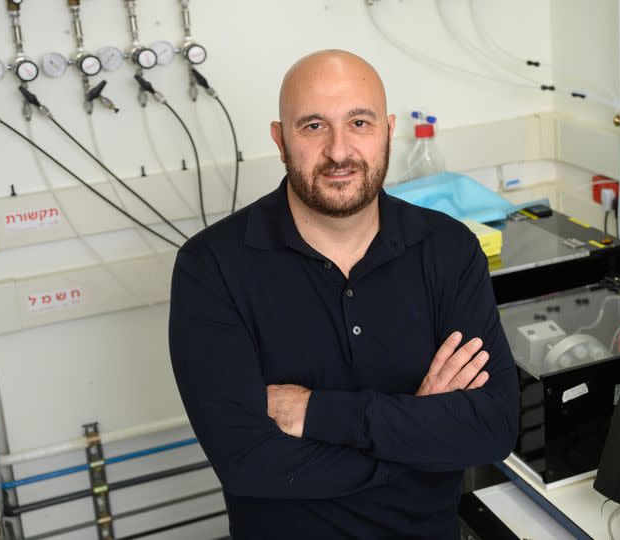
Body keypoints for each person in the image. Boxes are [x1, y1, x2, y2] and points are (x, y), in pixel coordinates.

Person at [167, 50, 519, 539]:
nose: (338, 151)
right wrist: (418, 430)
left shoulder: (448, 249)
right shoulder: (212, 267)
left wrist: (315, 412)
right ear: (280, 139)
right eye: (313, 126)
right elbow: (249, 462)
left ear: (388, 129)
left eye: (359, 122)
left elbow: (493, 427)